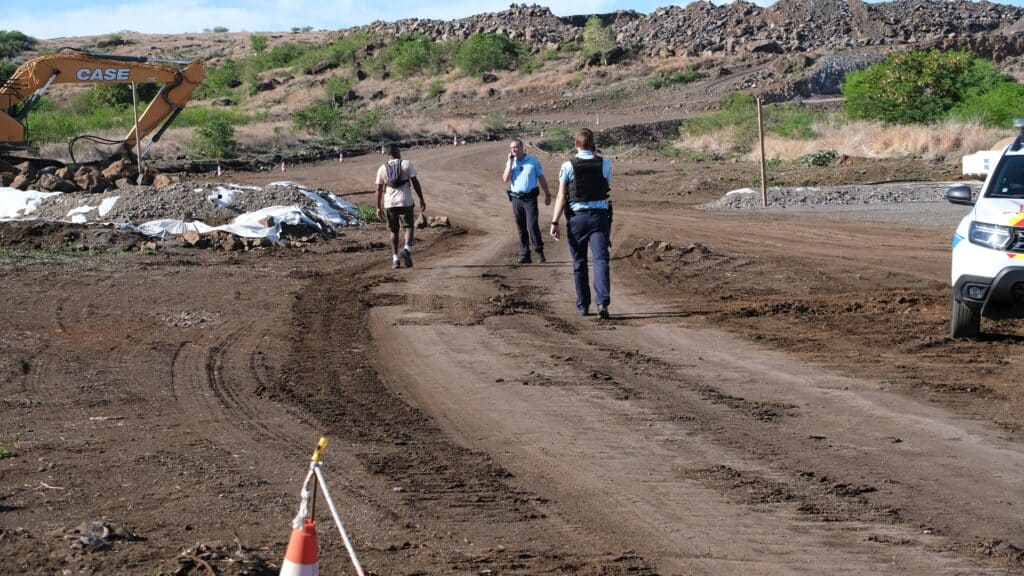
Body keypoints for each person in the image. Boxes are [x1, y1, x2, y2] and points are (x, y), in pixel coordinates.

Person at [549, 128, 613, 318]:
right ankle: (602, 303)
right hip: (600, 217)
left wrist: (554, 221)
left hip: (577, 218)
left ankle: (583, 305)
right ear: (592, 144)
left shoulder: (567, 166)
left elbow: (561, 196)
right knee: (601, 260)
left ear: (576, 144)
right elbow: (606, 185)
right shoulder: (605, 164)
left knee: (579, 262)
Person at [376, 144, 426, 269]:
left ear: (388, 154)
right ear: (398, 151)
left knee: (394, 231)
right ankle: (407, 249)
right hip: (405, 201)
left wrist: (378, 207)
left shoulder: (382, 168)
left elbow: (378, 189)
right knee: (408, 227)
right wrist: (421, 198)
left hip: (389, 203)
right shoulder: (406, 164)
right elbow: (415, 182)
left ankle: (395, 259)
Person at [502, 138, 551, 264]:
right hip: (516, 198)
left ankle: (539, 252)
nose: (514, 150)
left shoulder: (533, 161)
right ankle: (525, 255)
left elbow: (541, 177)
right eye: (511, 148)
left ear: (522, 147)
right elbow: (505, 179)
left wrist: (547, 194)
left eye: (516, 147)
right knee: (521, 228)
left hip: (530, 199)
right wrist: (510, 162)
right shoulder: (511, 162)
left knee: (532, 225)